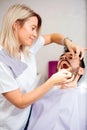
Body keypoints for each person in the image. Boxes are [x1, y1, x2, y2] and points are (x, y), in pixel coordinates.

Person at [0, 4, 84, 130]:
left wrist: (68, 43)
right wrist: (51, 82)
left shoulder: (27, 47)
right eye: (32, 28)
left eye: (36, 29)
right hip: (9, 124)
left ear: (81, 71)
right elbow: (20, 101)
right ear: (16, 25)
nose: (35, 34)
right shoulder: (2, 61)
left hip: (26, 118)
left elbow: (51, 37)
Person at [27, 48, 87, 130]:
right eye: (61, 58)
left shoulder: (84, 96)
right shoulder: (43, 91)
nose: (64, 59)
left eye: (70, 57)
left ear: (81, 70)